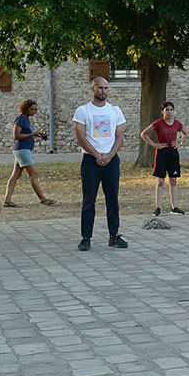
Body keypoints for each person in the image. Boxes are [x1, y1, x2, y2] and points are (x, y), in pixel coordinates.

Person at [73, 77, 127, 251]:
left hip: (111, 160)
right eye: (100, 88)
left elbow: (120, 136)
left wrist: (110, 155)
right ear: (93, 89)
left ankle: (114, 235)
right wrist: (97, 155)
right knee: (89, 200)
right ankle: (86, 237)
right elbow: (81, 137)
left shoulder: (115, 111)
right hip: (91, 161)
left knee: (113, 200)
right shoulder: (83, 111)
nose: (103, 91)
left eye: (106, 88)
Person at [3, 99, 56, 208]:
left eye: (36, 110)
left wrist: (36, 134)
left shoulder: (26, 120)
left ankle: (7, 201)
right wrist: (32, 134)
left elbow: (26, 133)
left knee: (15, 175)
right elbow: (16, 136)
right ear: (25, 109)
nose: (34, 112)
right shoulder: (20, 119)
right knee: (34, 174)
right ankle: (43, 199)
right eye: (32, 109)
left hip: (22, 150)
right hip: (22, 150)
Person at [140, 101, 187, 216]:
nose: (169, 112)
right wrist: (154, 145)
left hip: (173, 153)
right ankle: (158, 207)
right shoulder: (158, 123)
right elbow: (144, 134)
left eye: (171, 109)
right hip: (161, 152)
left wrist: (180, 143)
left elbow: (185, 133)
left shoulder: (177, 124)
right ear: (162, 111)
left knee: (173, 180)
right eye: (167, 110)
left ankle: (174, 206)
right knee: (160, 180)